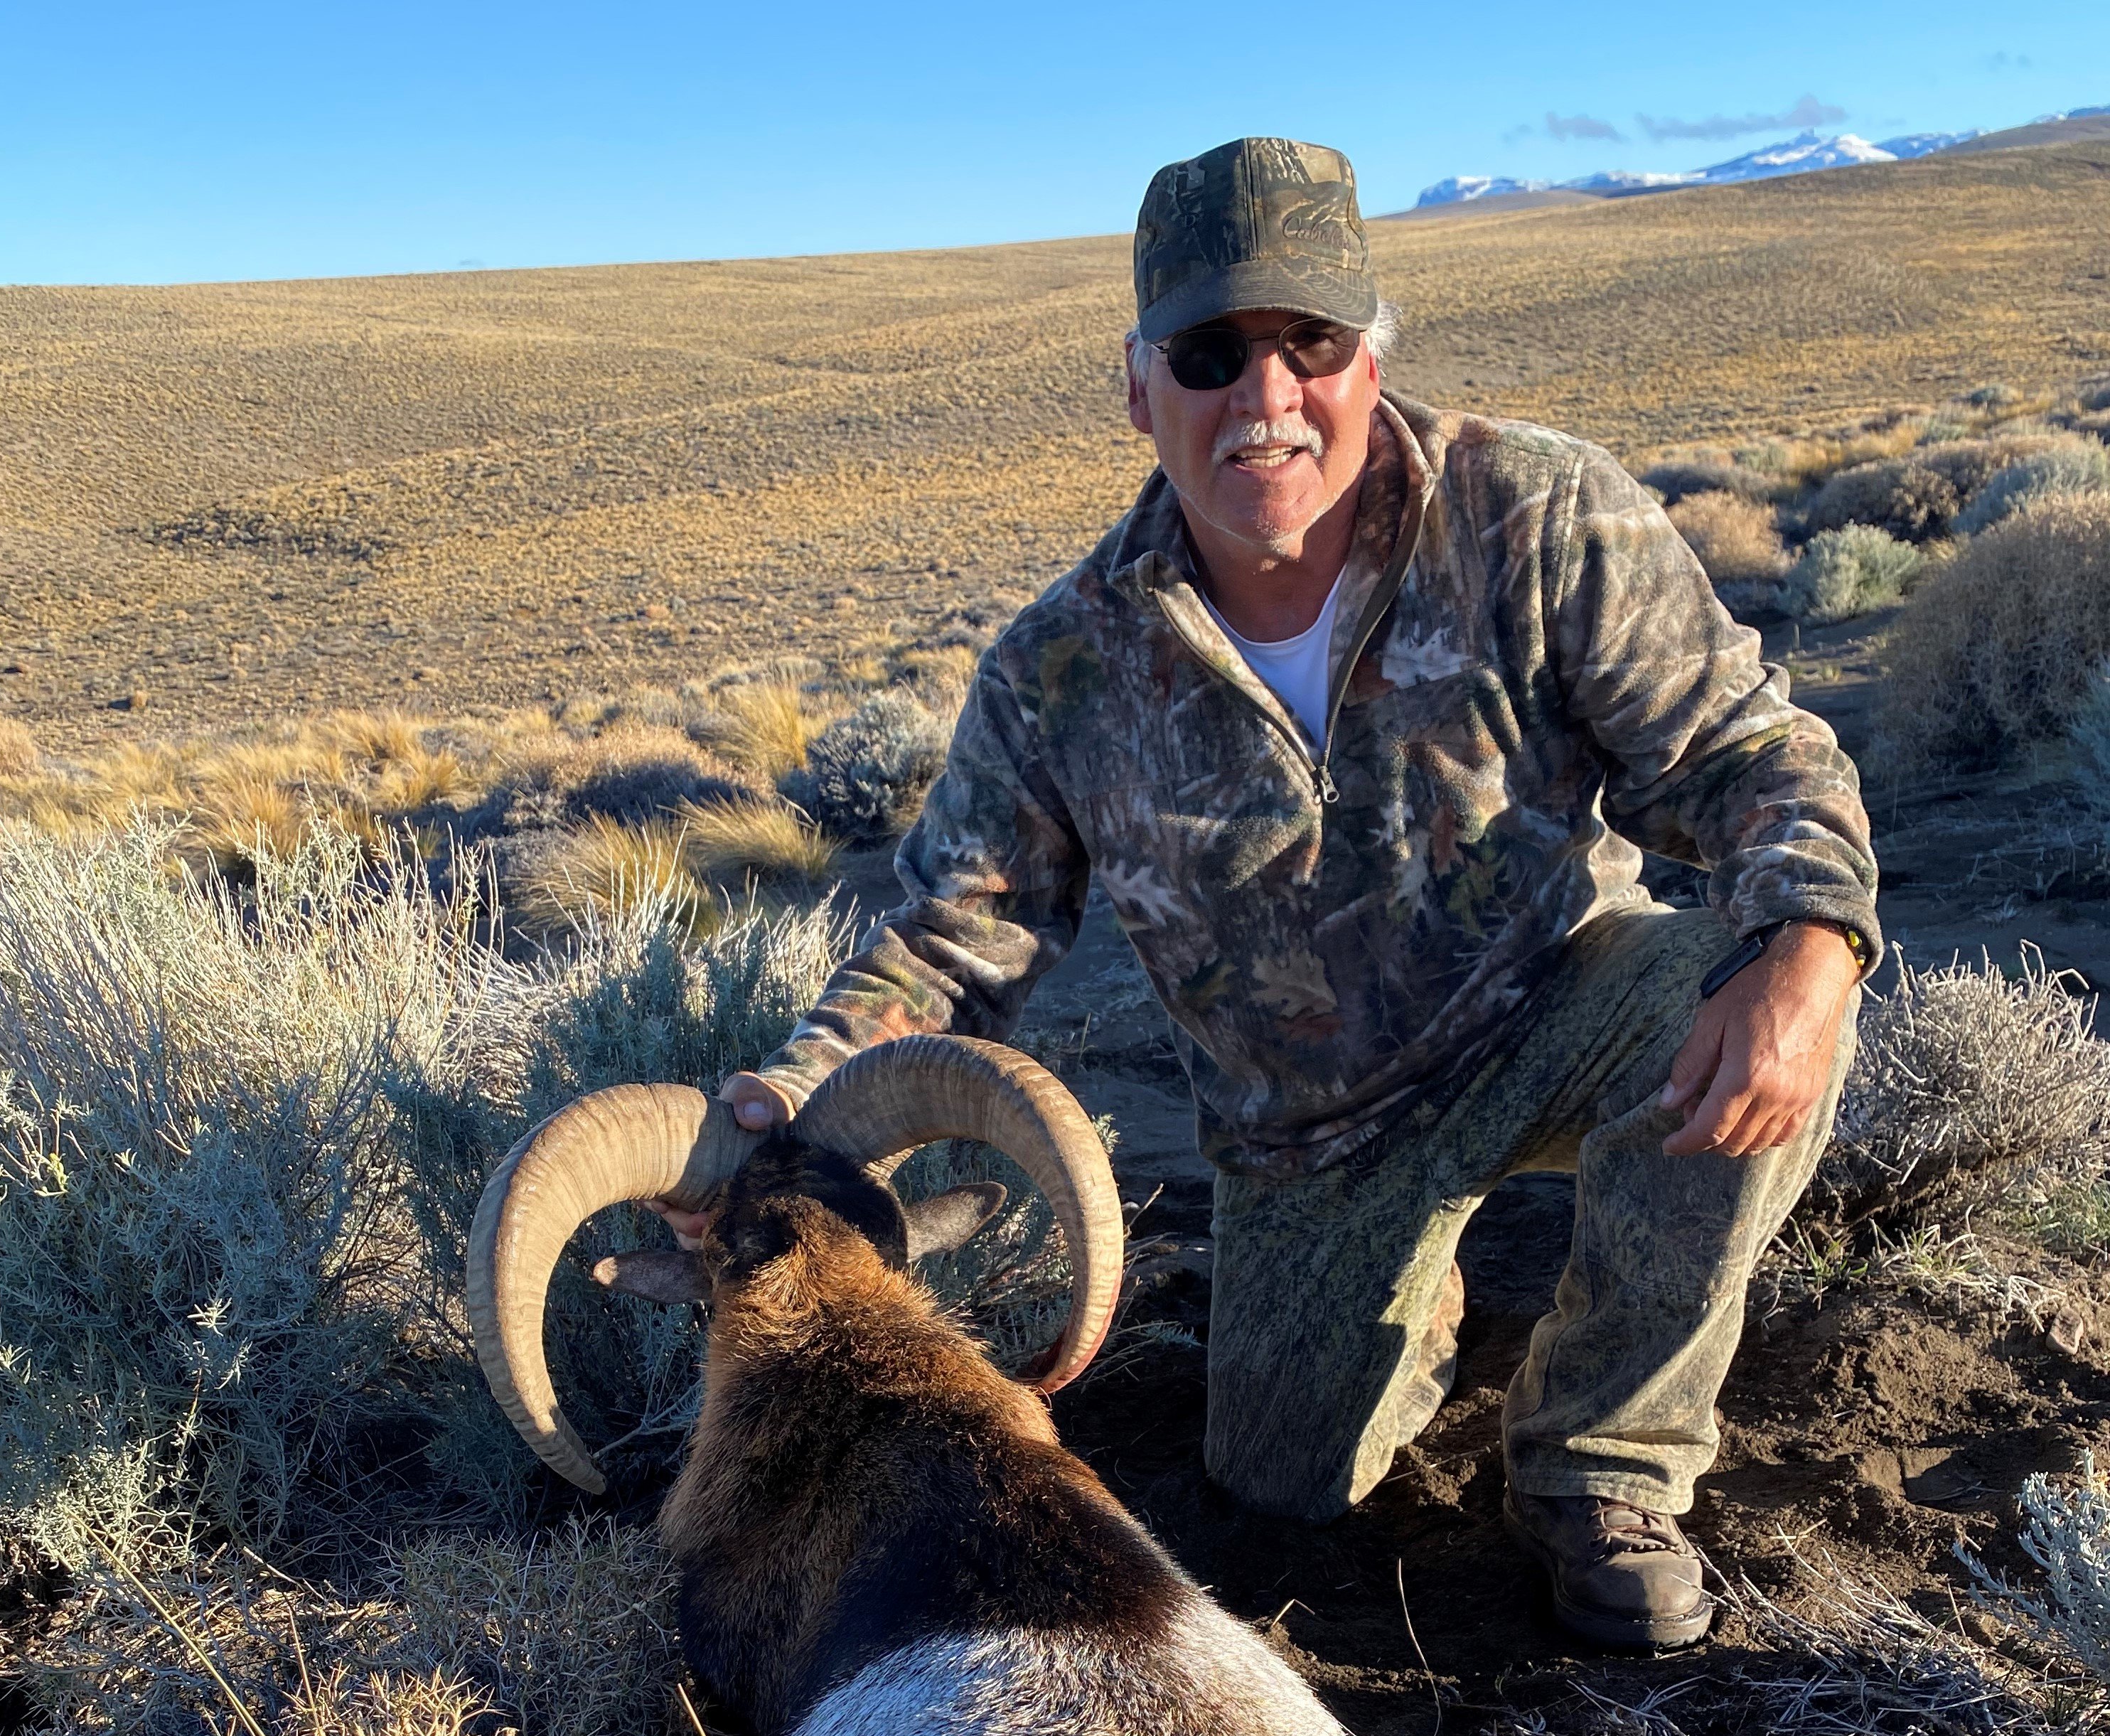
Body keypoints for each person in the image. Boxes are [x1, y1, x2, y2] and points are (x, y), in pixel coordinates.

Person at [675, 136, 1879, 1652]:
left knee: (1744, 990)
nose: (1265, 398)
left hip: (1564, 1003)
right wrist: (788, 1101)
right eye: (1208, 354)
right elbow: (948, 943)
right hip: (1312, 1143)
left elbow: (1749, 753)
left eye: (1309, 343)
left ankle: (1604, 1465)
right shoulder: (1064, 669)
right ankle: (1414, 1292)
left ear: (1371, 360)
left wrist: (1814, 944)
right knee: (1284, 1491)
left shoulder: (1539, 517)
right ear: (1139, 390)